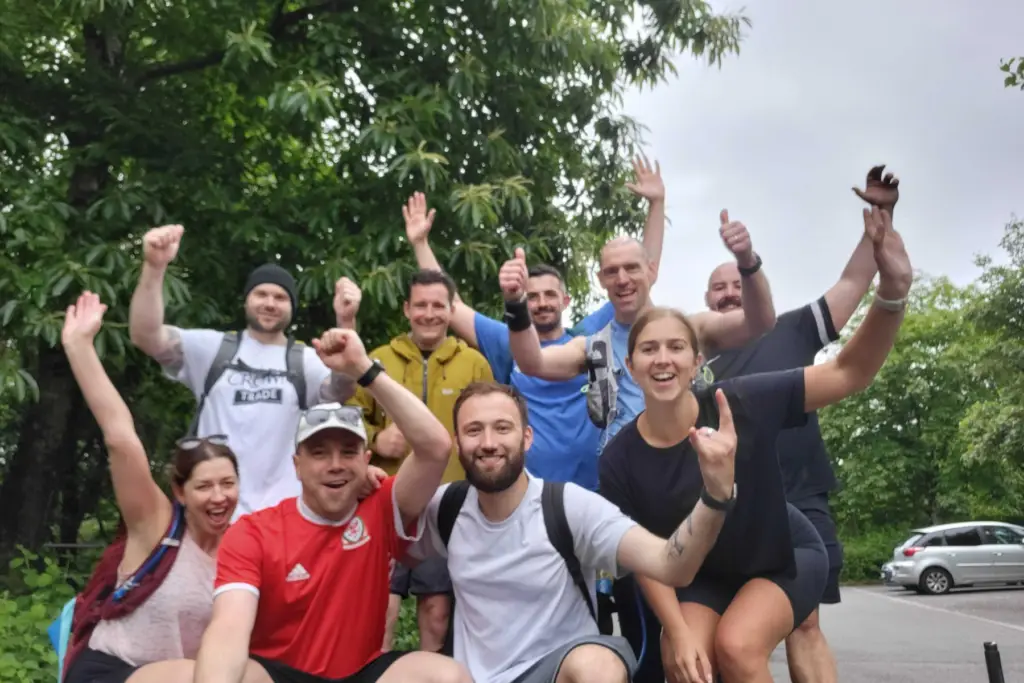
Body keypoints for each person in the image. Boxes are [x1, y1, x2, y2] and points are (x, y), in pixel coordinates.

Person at [598, 204, 912, 683]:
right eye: (649, 348)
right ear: (632, 365)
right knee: (684, 660)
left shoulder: (741, 401)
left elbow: (850, 372)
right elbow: (646, 556)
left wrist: (892, 294)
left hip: (782, 553)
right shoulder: (619, 457)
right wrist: (677, 632)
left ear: (697, 359)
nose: (663, 359)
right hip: (703, 573)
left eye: (676, 347)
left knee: (737, 647)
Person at [696, 165, 900, 683]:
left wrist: (880, 217)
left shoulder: (791, 328)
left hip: (801, 497)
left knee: (804, 623)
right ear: (707, 305)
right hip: (731, 508)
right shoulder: (697, 364)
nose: (728, 295)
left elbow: (855, 281)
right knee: (736, 641)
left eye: (734, 284)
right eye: (716, 290)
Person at [405, 381, 740, 683]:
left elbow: (671, 565)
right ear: (457, 442)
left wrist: (715, 495)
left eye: (502, 428)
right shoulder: (445, 507)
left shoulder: (566, 506)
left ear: (527, 437)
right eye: (474, 430)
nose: (488, 442)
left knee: (599, 667)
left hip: (559, 671)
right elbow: (384, 540)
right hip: (473, 677)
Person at [193, 327, 470, 683]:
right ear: (296, 465)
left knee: (446, 676)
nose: (335, 464)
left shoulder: (382, 506)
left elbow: (435, 446)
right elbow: (228, 627)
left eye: (348, 452)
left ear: (366, 459)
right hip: (280, 675)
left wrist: (363, 369)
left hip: (360, 673)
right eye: (319, 453)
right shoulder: (253, 531)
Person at [401, 155, 666, 490]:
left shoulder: (591, 336)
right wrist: (421, 244)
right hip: (529, 497)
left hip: (596, 492)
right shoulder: (506, 341)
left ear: (565, 301)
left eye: (550, 295)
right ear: (521, 297)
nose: (541, 303)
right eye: (533, 295)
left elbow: (642, 278)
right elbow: (450, 306)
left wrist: (656, 204)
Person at [60, 291, 240, 683]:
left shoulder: (244, 549)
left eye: (228, 483)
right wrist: (79, 347)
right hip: (113, 670)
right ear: (180, 493)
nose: (219, 496)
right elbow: (122, 439)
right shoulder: (156, 524)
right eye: (204, 486)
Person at [128, 224, 359, 519]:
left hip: (282, 519)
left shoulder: (305, 361)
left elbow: (342, 390)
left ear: (292, 307)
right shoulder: (212, 350)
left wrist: (346, 324)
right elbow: (145, 336)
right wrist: (154, 267)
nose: (270, 303)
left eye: (280, 297)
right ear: (247, 300)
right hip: (215, 515)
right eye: (261, 294)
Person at [504, 209, 776, 452]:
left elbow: (759, 321)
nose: (622, 280)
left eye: (631, 268)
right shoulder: (594, 346)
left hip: (690, 468)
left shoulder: (692, 328)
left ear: (651, 270)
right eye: (612, 271)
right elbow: (532, 363)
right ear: (600, 280)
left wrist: (746, 260)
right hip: (625, 483)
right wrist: (516, 303)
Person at [347, 270, 492, 653]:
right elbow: (346, 422)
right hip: (383, 504)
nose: (429, 314)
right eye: (421, 305)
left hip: (448, 508)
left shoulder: (473, 363)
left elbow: (489, 423)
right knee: (381, 611)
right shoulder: (376, 360)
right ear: (407, 309)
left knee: (437, 614)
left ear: (450, 310)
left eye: (438, 305)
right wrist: (376, 440)